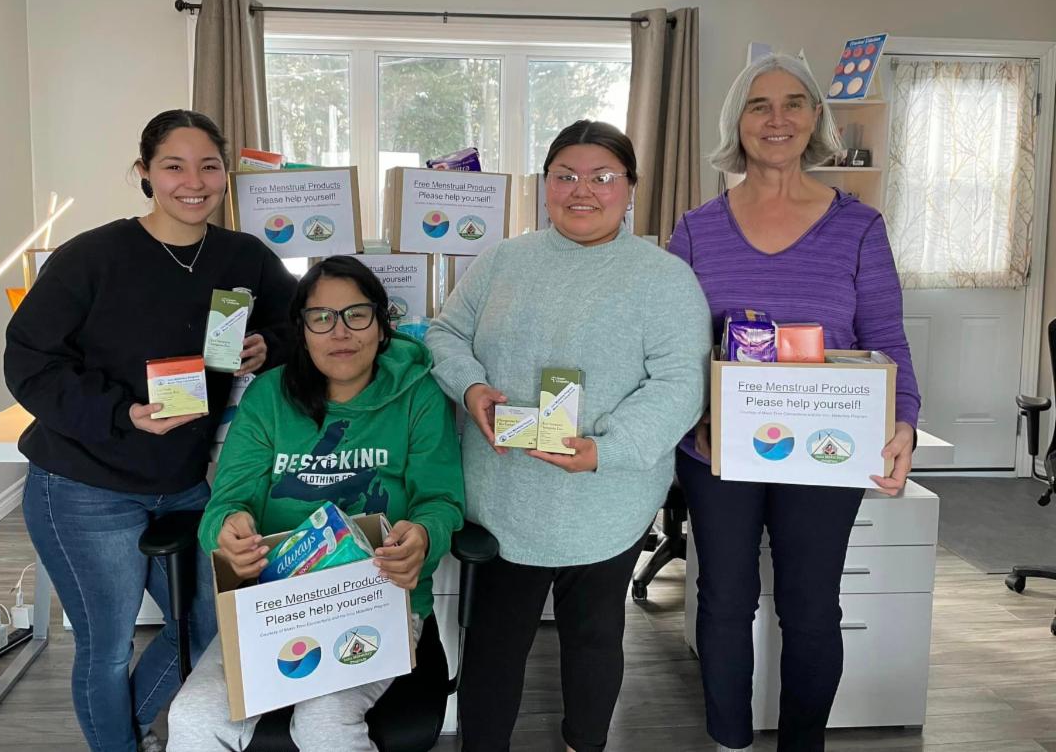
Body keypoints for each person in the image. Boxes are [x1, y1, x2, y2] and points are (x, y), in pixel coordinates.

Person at [3, 109, 297, 752]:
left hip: (186, 483)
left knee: (206, 625)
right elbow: (27, 360)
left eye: (209, 166)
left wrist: (265, 346)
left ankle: (125, 728)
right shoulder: (91, 257)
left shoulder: (243, 256)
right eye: (173, 165)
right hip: (83, 483)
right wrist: (122, 414)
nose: (193, 181)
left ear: (226, 175)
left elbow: (297, 323)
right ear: (144, 173)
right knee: (106, 648)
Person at [425, 120, 711, 752]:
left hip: (605, 501)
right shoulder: (503, 259)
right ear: (545, 185)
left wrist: (604, 451)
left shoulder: (664, 279)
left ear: (630, 188)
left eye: (603, 177)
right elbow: (444, 335)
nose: (583, 190)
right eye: (566, 176)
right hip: (501, 498)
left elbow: (678, 388)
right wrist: (472, 389)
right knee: (494, 645)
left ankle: (586, 743)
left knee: (593, 640)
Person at [671, 53, 920, 752]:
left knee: (811, 609)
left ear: (816, 119)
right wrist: (697, 419)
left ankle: (801, 746)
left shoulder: (859, 226)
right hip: (717, 450)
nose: (776, 119)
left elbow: (887, 340)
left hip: (826, 449)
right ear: (736, 124)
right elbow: (675, 348)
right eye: (758, 105)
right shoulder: (696, 229)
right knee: (725, 602)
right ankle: (730, 741)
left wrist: (903, 420)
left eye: (792, 104)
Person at [167, 255, 465, 752]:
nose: (340, 332)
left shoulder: (419, 396)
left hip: (376, 601)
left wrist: (426, 536)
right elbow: (226, 502)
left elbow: (441, 500)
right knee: (193, 716)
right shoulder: (268, 397)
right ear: (301, 329)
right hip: (272, 607)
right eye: (321, 317)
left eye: (357, 314)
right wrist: (226, 529)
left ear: (381, 322)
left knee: (324, 721)